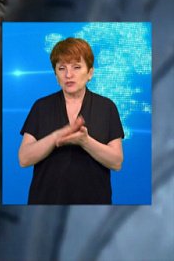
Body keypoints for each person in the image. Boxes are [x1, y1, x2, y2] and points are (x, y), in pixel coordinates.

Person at [18, 37, 124, 204]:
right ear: (55, 75)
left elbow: (117, 162)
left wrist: (85, 141)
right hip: (44, 205)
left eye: (76, 67)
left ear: (90, 73)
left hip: (92, 207)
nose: (68, 75)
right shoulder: (41, 107)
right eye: (61, 68)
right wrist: (57, 136)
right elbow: (24, 159)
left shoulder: (107, 107)